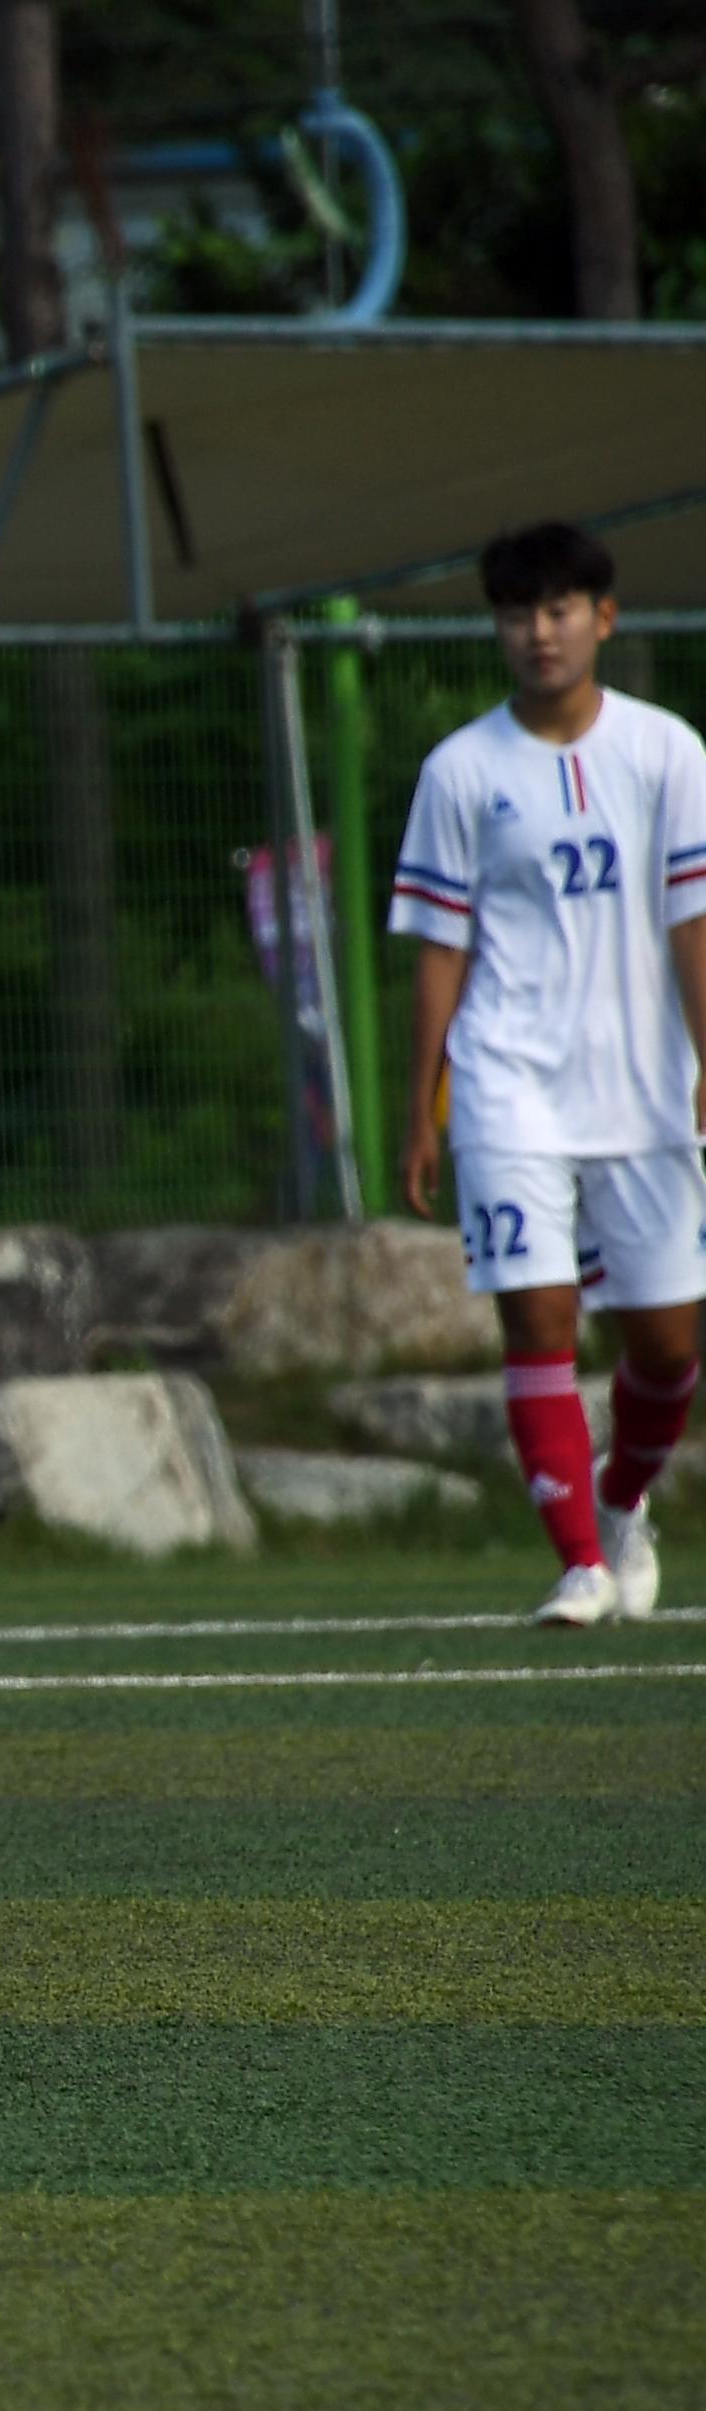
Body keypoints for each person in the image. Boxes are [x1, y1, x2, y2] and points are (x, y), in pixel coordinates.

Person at [393, 519, 706, 1627]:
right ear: (498, 628)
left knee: (670, 1347)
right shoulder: (462, 769)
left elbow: (693, 920)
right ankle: (578, 1561)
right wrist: (420, 1108)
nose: (541, 632)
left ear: (603, 621)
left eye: (561, 609)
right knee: (537, 1321)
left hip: (642, 1088)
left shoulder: (670, 751)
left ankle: (623, 1499)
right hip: (506, 1084)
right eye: (520, 613)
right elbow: (440, 948)